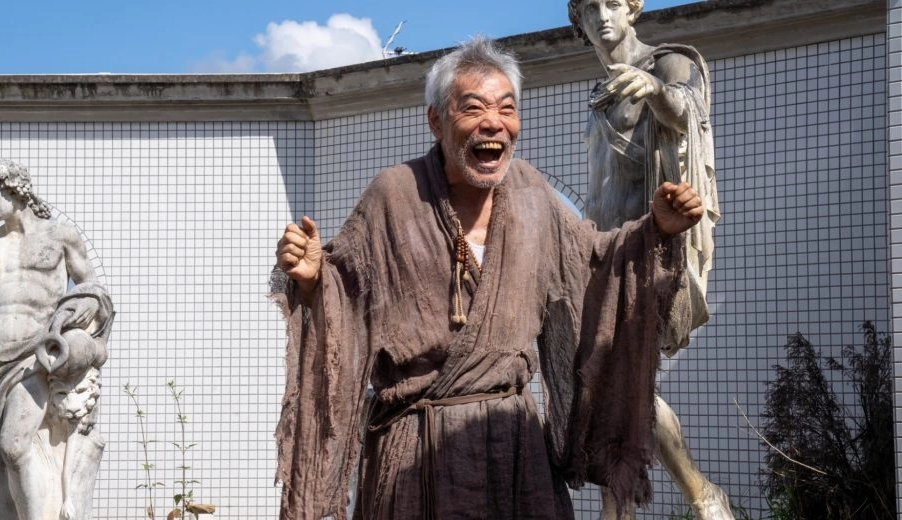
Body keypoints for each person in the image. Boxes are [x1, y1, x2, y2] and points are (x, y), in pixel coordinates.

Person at [272, 37, 703, 519]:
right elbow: (344, 292)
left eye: (506, 108)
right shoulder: (394, 195)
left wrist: (654, 231)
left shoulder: (532, 194)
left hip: (515, 448)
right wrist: (313, 279)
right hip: (417, 451)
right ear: (436, 121)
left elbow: (594, 262)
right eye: (473, 108)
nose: (493, 122)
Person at [568, 0, 729, 518]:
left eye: (613, 3)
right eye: (589, 7)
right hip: (603, 254)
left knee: (619, 380)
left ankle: (697, 495)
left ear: (633, 9)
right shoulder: (600, 92)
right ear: (578, 20)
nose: (602, 16)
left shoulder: (668, 62)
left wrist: (657, 91)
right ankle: (693, 497)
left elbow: (689, 110)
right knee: (608, 386)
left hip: (651, 250)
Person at [0, 159, 114, 520]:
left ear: (12, 189)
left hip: (31, 355)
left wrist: (84, 305)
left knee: (14, 447)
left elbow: (92, 288)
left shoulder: (59, 236)